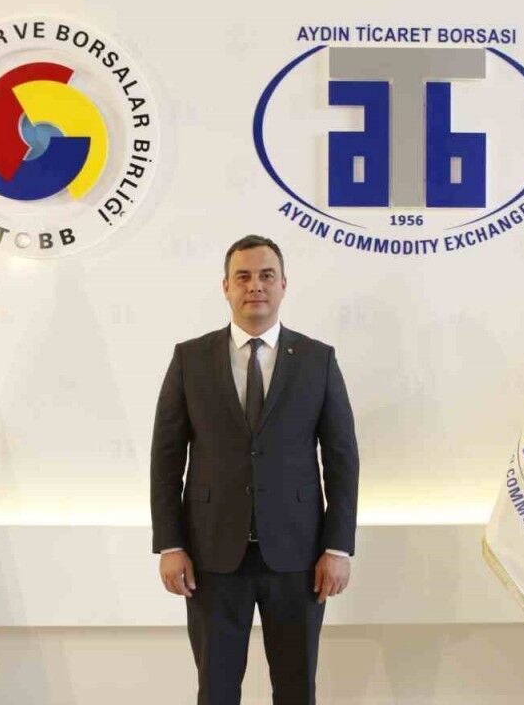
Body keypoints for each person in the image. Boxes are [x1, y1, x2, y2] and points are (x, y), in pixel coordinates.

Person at [151, 234, 360, 705]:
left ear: (284, 284)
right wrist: (170, 544)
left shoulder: (318, 360)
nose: (255, 286)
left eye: (267, 275)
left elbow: (342, 460)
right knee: (217, 689)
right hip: (211, 557)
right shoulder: (190, 358)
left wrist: (337, 546)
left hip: (299, 557)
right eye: (242, 276)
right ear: (225, 286)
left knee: (296, 688)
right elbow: (165, 459)